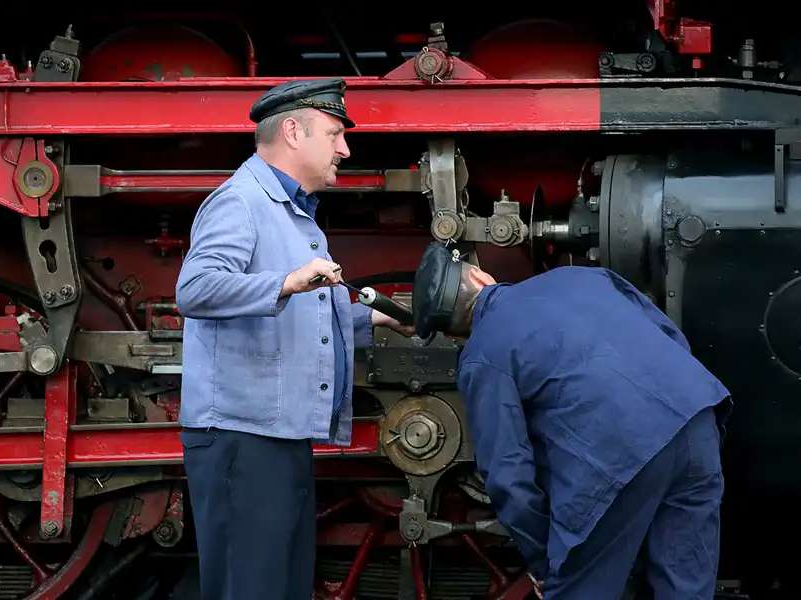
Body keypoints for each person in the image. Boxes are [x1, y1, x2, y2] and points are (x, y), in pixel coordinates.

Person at [174, 78, 414, 600]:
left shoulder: (292, 211)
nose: (344, 150)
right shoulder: (240, 202)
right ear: (291, 131)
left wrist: (375, 319)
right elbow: (194, 289)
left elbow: (301, 321)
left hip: (274, 434)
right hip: (242, 437)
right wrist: (287, 282)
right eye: (334, 134)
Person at [410, 242, 733, 600]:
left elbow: (507, 474)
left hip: (618, 456)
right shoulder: (580, 276)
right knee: (686, 586)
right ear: (479, 276)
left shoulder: (481, 355)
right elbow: (669, 334)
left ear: (455, 334)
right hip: (695, 416)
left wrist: (544, 562)